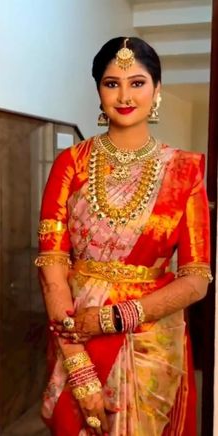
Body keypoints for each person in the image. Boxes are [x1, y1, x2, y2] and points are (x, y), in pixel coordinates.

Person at [35, 37, 212, 436]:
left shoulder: (186, 171)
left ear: (157, 89)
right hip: (74, 335)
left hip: (151, 342)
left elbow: (197, 279)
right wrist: (79, 369)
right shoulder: (71, 164)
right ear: (98, 90)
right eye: (112, 83)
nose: (125, 94)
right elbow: (52, 265)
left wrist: (111, 318)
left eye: (137, 82)